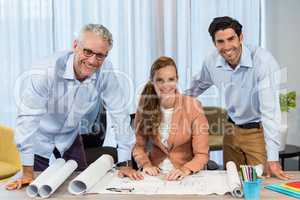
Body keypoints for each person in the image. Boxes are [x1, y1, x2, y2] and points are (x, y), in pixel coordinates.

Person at [6, 24, 135, 190]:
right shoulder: (45, 71)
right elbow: (28, 119)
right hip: (39, 134)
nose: (92, 61)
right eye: (87, 51)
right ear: (75, 45)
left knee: (80, 184)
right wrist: (27, 172)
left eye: (100, 56)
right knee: (36, 187)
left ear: (106, 55)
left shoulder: (105, 72)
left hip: (70, 135)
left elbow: (120, 114)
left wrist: (125, 163)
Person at [185, 16, 290, 180]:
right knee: (231, 182)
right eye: (220, 41)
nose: (227, 47)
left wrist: (273, 157)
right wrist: (173, 102)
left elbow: (271, 111)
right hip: (231, 129)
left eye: (231, 39)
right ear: (214, 43)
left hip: (257, 132)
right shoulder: (211, 62)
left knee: (261, 183)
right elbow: (197, 86)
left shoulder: (263, 62)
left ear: (241, 37)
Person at [119, 56, 209, 181]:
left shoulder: (193, 106)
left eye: (171, 79)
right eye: (160, 80)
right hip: (154, 175)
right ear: (152, 81)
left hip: (185, 175)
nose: (166, 85)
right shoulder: (145, 104)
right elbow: (138, 146)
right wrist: (146, 164)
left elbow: (202, 155)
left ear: (177, 79)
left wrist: (185, 170)